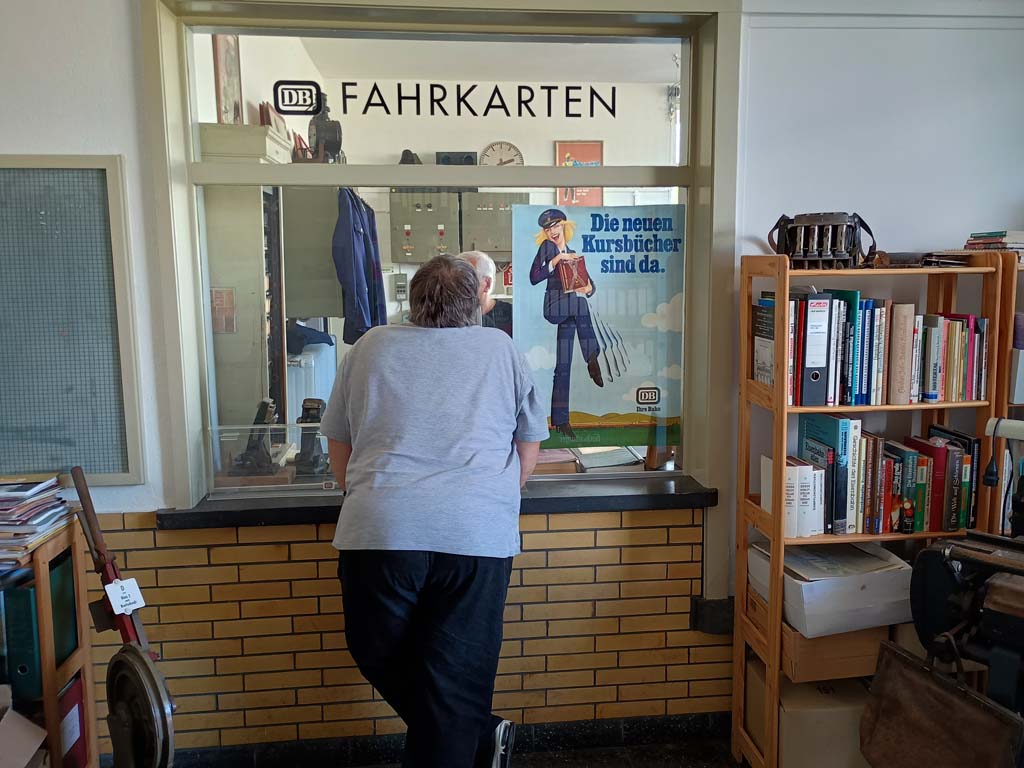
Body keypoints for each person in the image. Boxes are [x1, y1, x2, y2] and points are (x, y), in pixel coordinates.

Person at [321, 255, 548, 768]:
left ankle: (475, 731)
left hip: (380, 528)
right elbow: (529, 442)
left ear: (413, 299)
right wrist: (494, 495)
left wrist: (364, 491)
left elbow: (339, 441)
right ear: (477, 302)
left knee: (374, 649)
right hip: (476, 536)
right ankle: (478, 731)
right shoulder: (500, 347)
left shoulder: (369, 346)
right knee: (457, 675)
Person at [528, 208, 603, 440]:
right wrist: (556, 260)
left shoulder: (572, 254)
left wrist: (588, 288)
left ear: (564, 226)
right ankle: (592, 357)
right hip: (554, 307)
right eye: (548, 228)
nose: (552, 231)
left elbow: (589, 286)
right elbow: (534, 277)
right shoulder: (548, 248)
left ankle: (561, 421)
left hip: (570, 312)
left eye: (556, 226)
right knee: (580, 305)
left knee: (563, 365)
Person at [459, 250, 513, 337]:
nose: (457, 287)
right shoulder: (447, 316)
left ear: (487, 283)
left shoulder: (513, 317)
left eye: (466, 280)